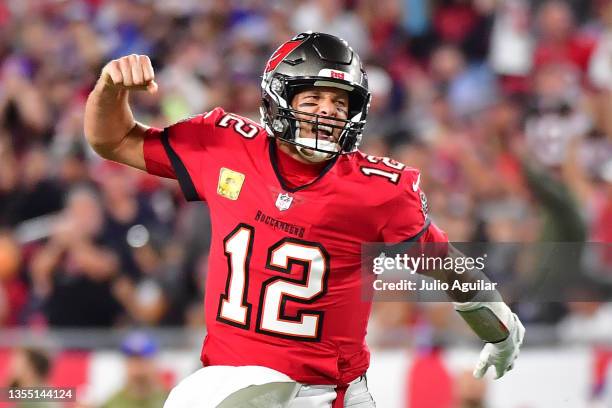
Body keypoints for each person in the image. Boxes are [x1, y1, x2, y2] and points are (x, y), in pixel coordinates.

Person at [84, 32, 525, 408]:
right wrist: (110, 87)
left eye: (339, 100)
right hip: (233, 383)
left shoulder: (376, 191)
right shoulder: (222, 147)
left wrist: (500, 327)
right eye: (312, 96)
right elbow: (113, 138)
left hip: (322, 395)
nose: (328, 110)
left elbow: (443, 264)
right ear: (278, 97)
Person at [102, 332, 168, 408]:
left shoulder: (170, 400)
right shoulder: (112, 403)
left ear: (154, 363)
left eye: (143, 361)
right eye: (133, 361)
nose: (138, 369)